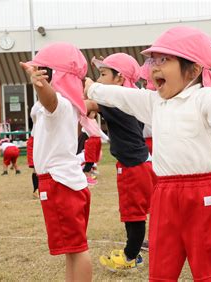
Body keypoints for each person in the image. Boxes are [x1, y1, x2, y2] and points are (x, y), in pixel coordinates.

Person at [85, 26, 211, 281]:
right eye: (153, 60)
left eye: (165, 60)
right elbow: (121, 95)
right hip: (164, 197)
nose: (155, 67)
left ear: (192, 70)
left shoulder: (204, 97)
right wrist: (92, 88)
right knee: (161, 272)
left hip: (202, 195)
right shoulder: (155, 102)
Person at [19, 42, 92, 282]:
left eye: (43, 70)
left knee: (77, 249)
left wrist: (41, 85)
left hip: (61, 184)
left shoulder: (59, 103)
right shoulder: (58, 105)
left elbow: (50, 100)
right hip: (59, 182)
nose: (38, 75)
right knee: (71, 250)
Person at [87, 53, 156, 271]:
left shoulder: (118, 103)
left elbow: (87, 101)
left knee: (133, 215)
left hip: (133, 166)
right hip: (140, 162)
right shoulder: (128, 98)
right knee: (140, 212)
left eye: (103, 74)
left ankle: (130, 256)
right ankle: (134, 253)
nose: (98, 79)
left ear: (119, 79)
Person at [79, 112, 104, 186]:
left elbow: (99, 131)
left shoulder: (94, 121)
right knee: (90, 159)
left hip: (97, 140)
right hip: (91, 140)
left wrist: (107, 139)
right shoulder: (85, 120)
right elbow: (82, 115)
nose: (94, 114)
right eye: (92, 112)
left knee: (94, 159)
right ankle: (86, 176)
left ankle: (90, 172)